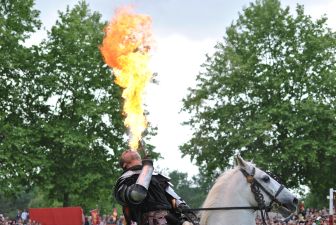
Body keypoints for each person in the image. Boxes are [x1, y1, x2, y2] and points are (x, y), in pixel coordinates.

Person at [114, 150, 199, 225]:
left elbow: (176, 200)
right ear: (124, 164)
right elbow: (136, 195)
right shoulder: (124, 180)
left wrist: (190, 217)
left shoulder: (157, 177)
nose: (129, 150)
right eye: (125, 152)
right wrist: (147, 168)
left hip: (173, 220)